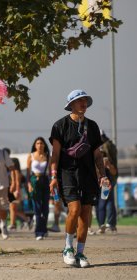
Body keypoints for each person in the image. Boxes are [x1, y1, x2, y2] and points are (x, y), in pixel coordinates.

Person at [49, 90, 110, 268]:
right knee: (74, 209)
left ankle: (81, 252)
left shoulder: (92, 126)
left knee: (85, 214)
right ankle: (68, 248)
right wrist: (53, 176)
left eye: (85, 101)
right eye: (79, 101)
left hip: (88, 175)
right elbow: (55, 154)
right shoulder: (59, 126)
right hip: (67, 173)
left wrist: (103, 176)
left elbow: (97, 155)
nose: (83, 104)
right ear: (71, 105)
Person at [26, 137, 50, 240]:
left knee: (45, 208)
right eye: (37, 143)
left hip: (45, 181)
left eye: (41, 143)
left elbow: (52, 169)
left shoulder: (48, 156)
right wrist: (29, 184)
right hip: (34, 181)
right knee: (37, 207)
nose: (40, 145)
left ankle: (44, 229)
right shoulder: (31, 156)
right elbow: (27, 173)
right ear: (35, 145)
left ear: (44, 145)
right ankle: (38, 232)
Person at [96, 152, 118, 233]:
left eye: (103, 155)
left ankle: (109, 224)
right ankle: (101, 225)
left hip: (106, 185)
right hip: (96, 184)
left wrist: (108, 165)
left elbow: (114, 172)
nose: (101, 157)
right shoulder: (94, 162)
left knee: (109, 204)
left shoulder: (107, 162)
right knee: (99, 205)